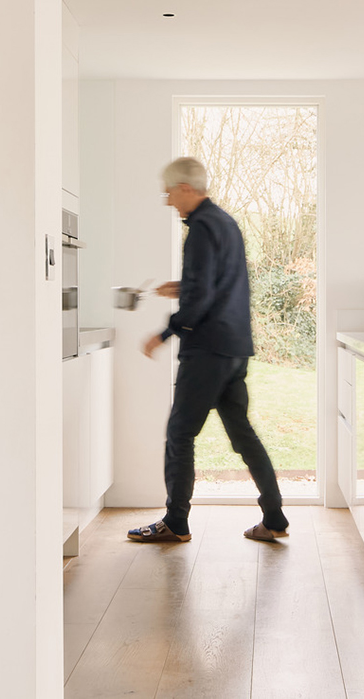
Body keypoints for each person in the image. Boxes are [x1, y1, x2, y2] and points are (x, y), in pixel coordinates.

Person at [128, 157, 290, 544]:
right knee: (243, 435)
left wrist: (165, 332)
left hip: (207, 350)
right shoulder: (227, 223)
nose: (168, 201)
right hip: (234, 349)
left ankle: (176, 522)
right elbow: (220, 285)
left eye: (169, 192)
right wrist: (182, 287)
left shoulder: (200, 227)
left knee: (180, 434)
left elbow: (202, 298)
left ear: (186, 188)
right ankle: (275, 517)